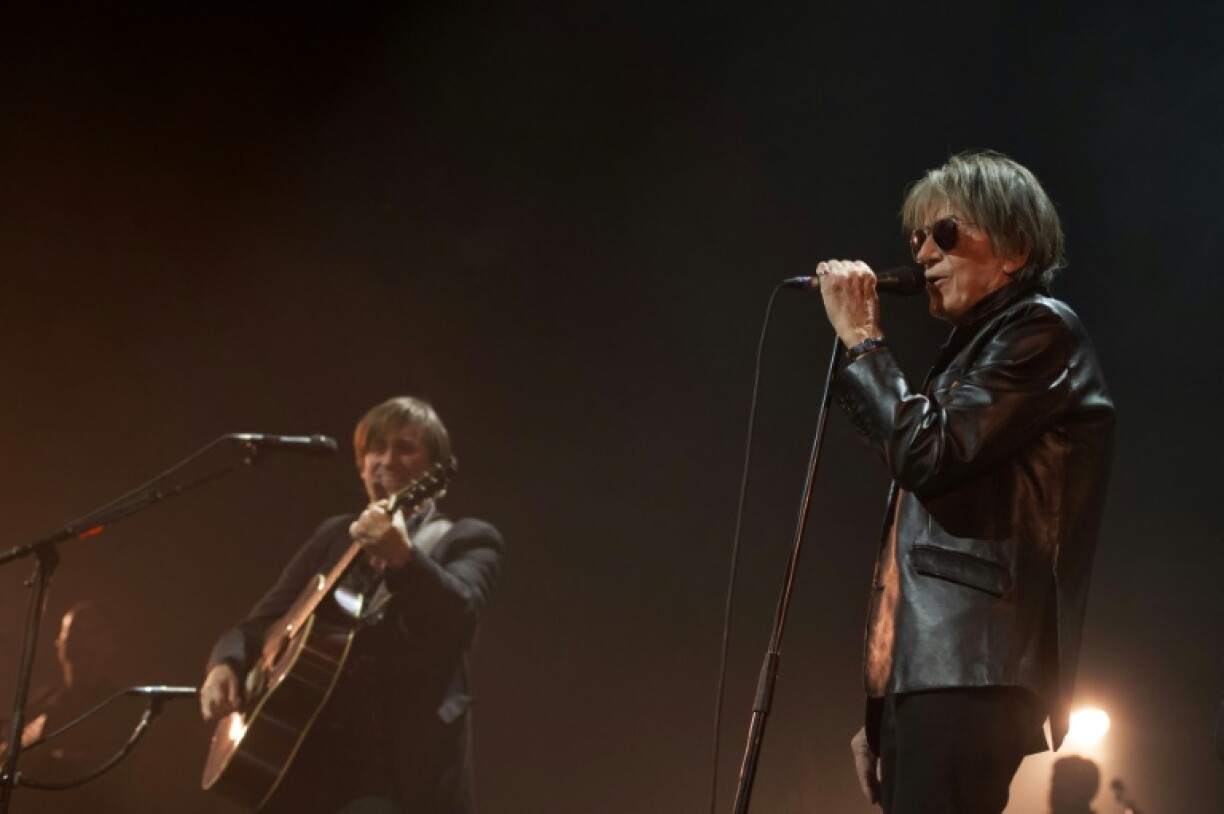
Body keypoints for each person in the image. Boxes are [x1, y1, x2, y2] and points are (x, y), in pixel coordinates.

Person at [815, 151, 1115, 813]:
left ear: (1011, 249)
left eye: (943, 233)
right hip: (934, 673)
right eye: (916, 237)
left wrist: (863, 338)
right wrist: (883, 707)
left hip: (972, 668)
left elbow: (928, 453)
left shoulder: (1042, 332)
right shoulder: (976, 351)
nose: (921, 252)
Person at [200, 396, 504, 814]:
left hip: (395, 777)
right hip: (303, 762)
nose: (387, 460)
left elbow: (460, 614)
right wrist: (225, 664)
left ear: (435, 470)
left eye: (405, 447)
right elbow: (262, 623)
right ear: (361, 467)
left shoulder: (466, 538)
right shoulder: (332, 537)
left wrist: (404, 558)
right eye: (376, 449)